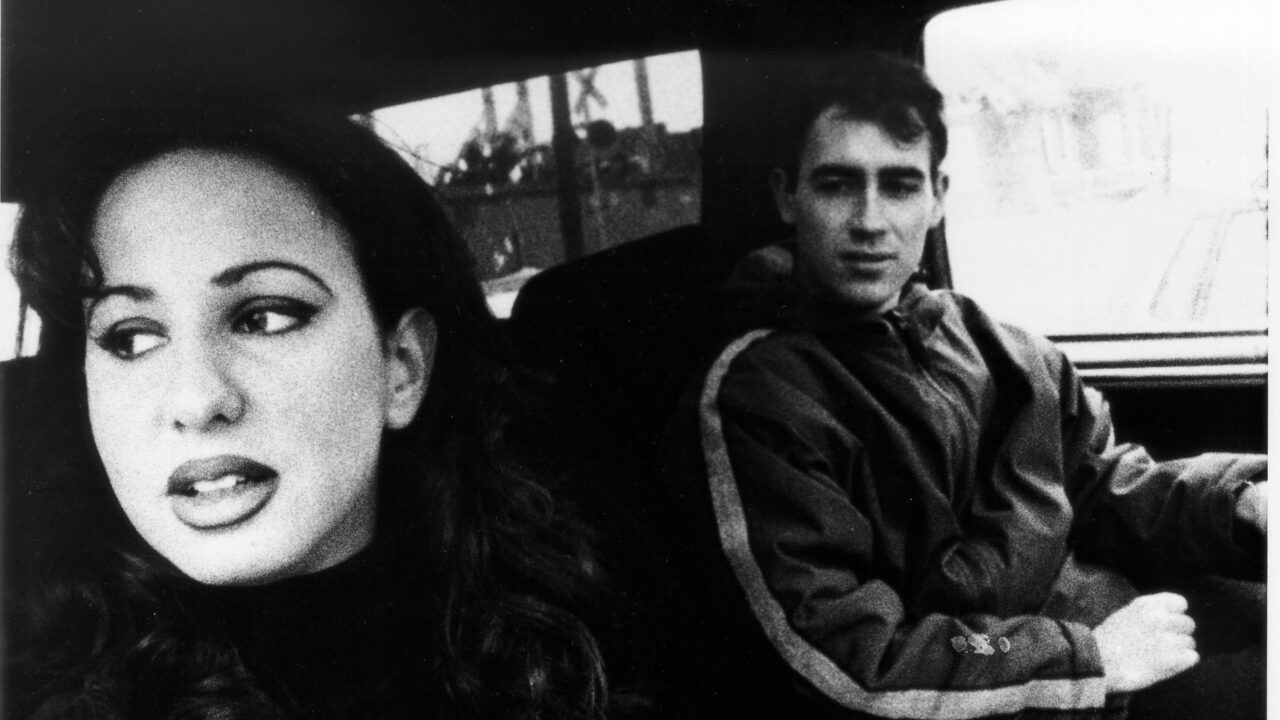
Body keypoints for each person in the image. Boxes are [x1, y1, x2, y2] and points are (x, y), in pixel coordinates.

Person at [659, 52, 1266, 719]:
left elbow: (1096, 484)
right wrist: (1089, 659)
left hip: (1099, 625)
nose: (869, 220)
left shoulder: (989, 343)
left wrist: (1240, 502)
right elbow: (838, 652)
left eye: (899, 185)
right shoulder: (760, 395)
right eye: (836, 185)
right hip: (1007, 689)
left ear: (938, 197)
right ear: (787, 196)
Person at [6, 95, 618, 719]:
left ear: (403, 366)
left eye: (264, 318)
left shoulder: (587, 661)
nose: (197, 400)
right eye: (131, 338)